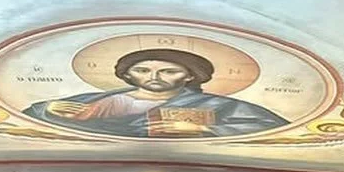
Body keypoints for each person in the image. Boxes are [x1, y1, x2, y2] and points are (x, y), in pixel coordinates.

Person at [23, 48, 289, 138]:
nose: (153, 77)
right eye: (142, 70)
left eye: (168, 71)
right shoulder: (100, 100)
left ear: (189, 76)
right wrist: (47, 109)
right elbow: (32, 115)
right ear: (128, 75)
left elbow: (270, 127)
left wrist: (207, 130)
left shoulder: (216, 105)